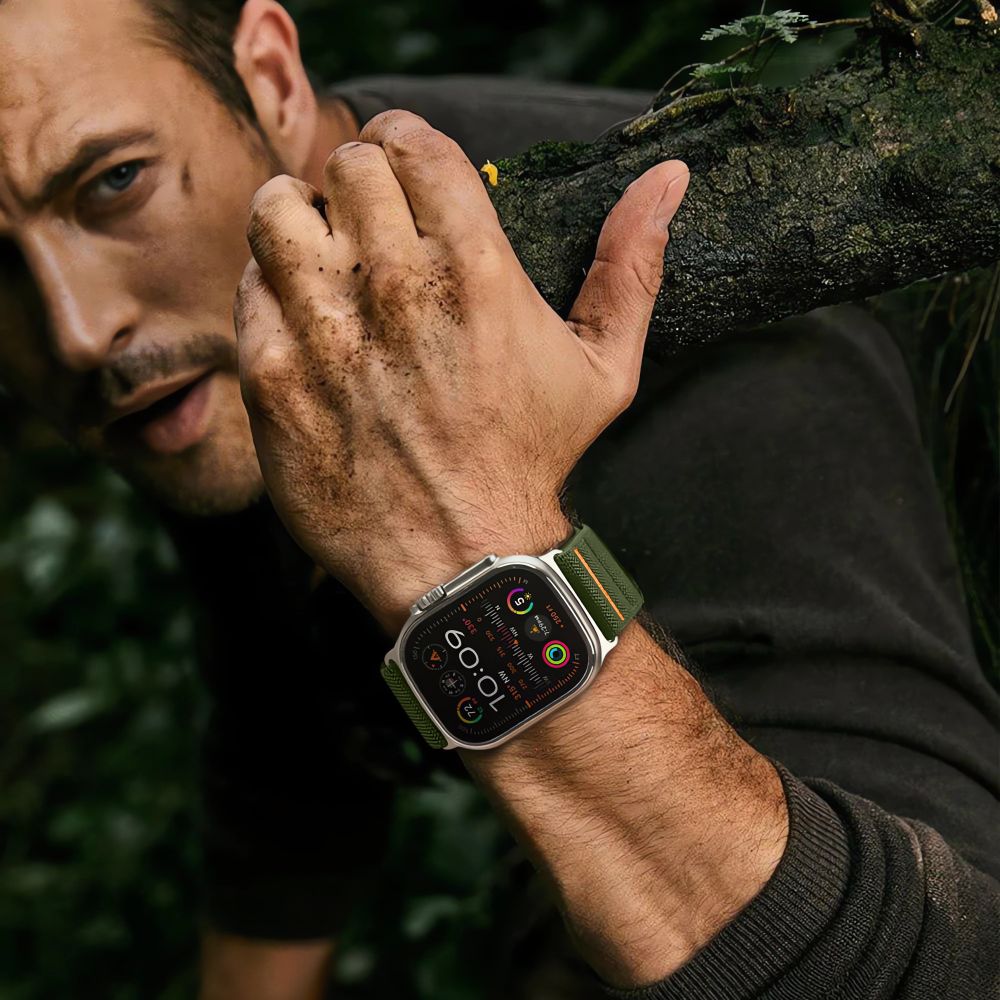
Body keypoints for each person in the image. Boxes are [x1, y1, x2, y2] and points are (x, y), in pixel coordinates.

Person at [0, 1, 996, 998]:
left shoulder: (729, 359)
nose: (76, 329)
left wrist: (466, 549)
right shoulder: (227, 336)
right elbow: (285, 727)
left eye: (114, 182)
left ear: (268, 78)